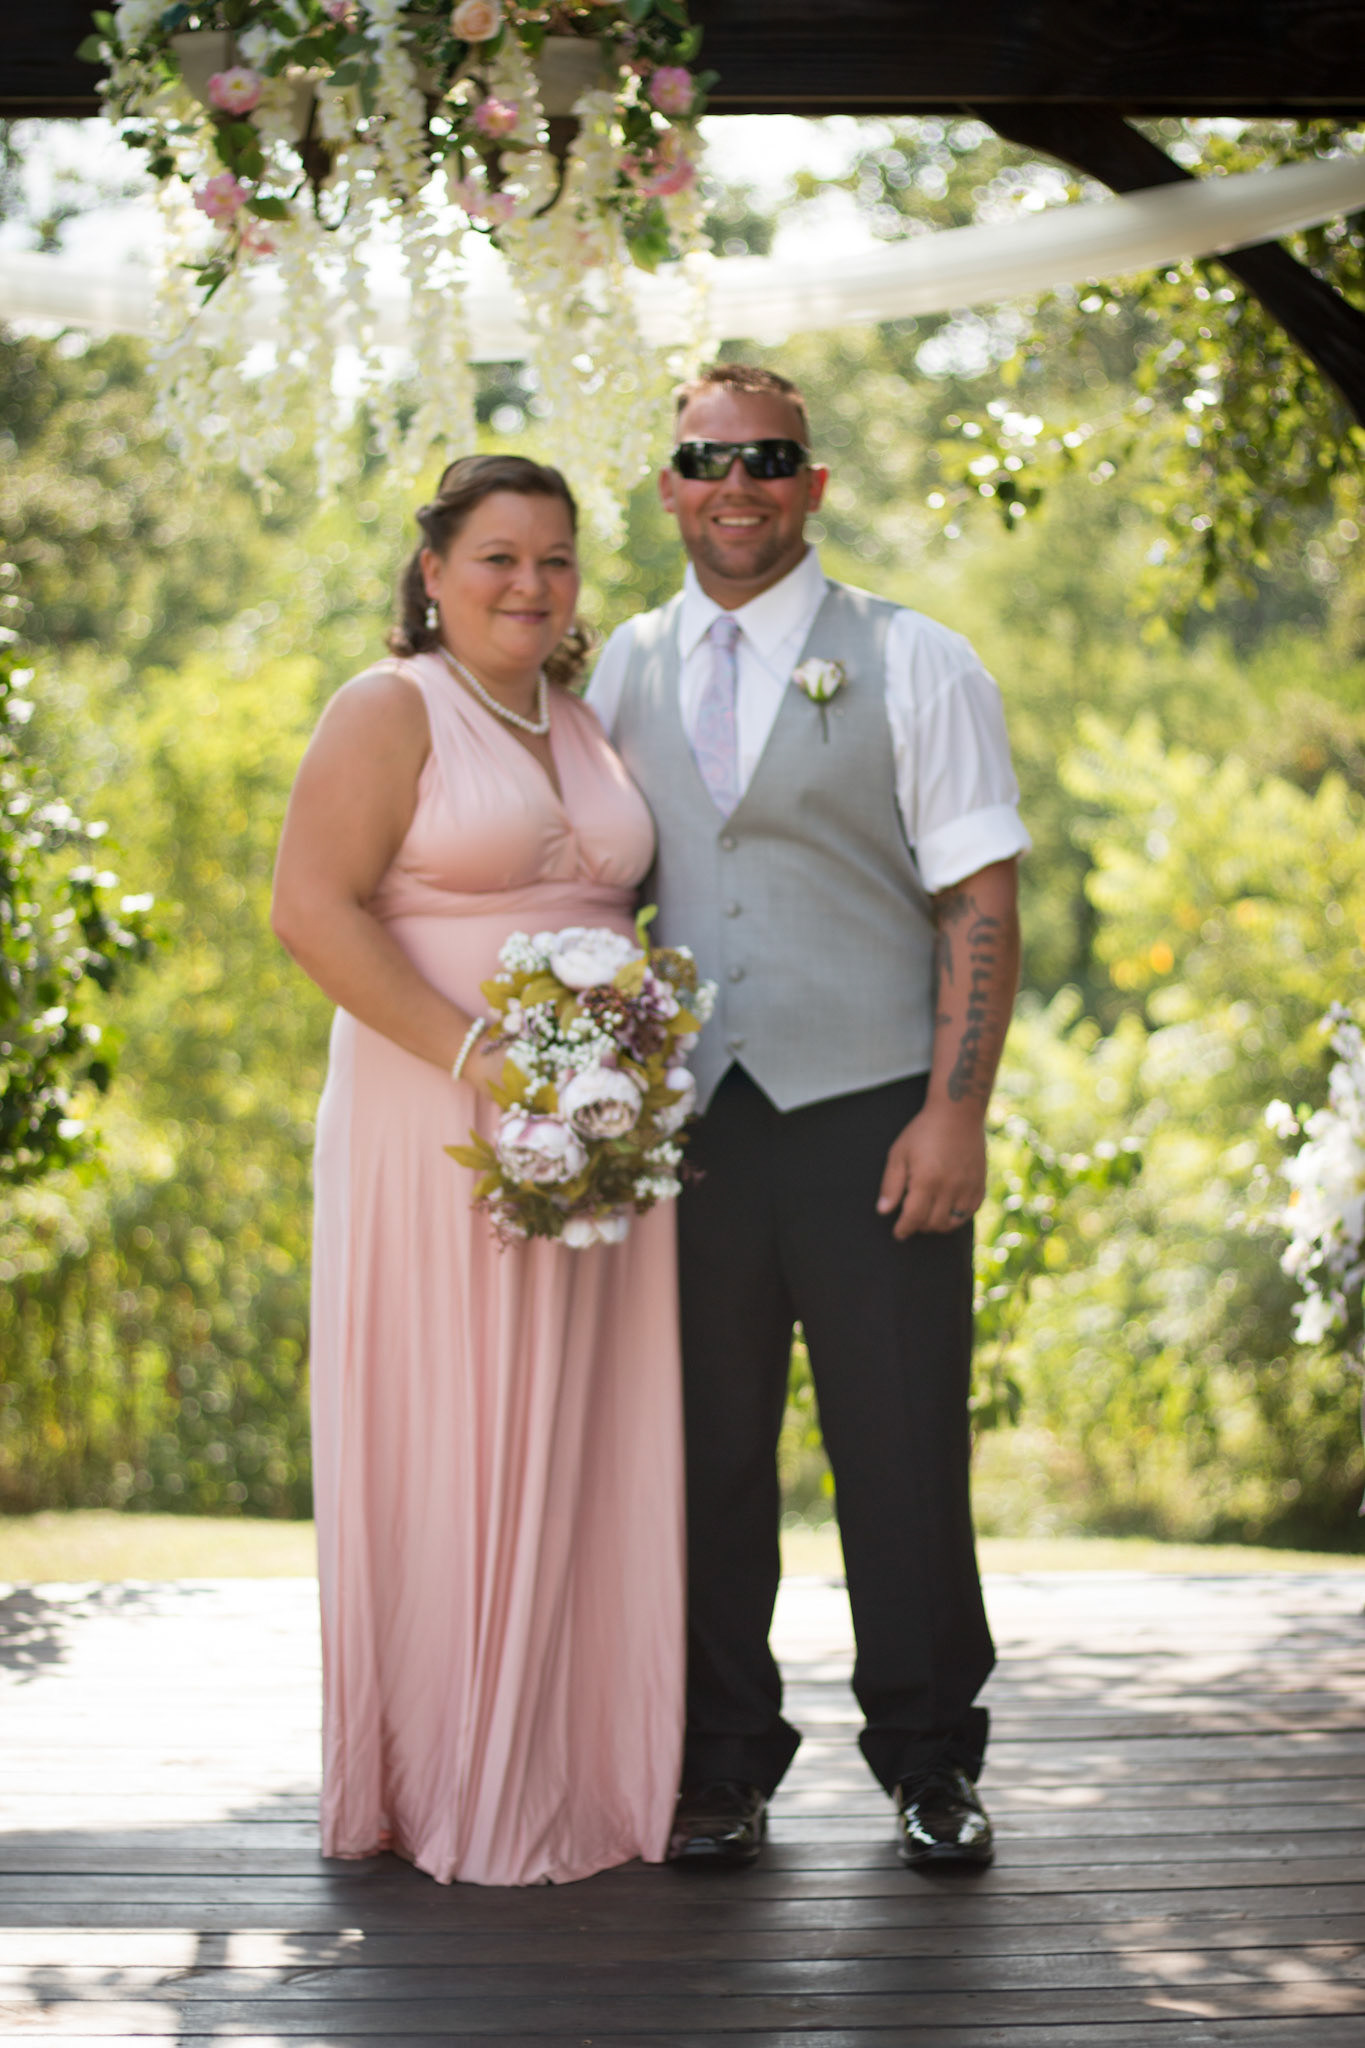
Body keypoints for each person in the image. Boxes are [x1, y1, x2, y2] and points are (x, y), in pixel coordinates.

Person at [587, 363, 1029, 1871]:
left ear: (813, 483)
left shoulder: (915, 659)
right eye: (709, 459)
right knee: (703, 1457)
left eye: (769, 460)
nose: (739, 487)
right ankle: (721, 1763)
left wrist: (955, 1112)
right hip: (689, 1130)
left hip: (872, 1117)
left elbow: (978, 896)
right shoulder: (622, 667)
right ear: (669, 484)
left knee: (900, 1448)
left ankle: (931, 1759)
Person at [271, 454, 685, 1887]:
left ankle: (581, 1771)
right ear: (434, 571)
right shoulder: (389, 707)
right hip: (434, 1116)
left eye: (556, 559)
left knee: (585, 1433)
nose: (531, 584)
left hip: (597, 1135)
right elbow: (309, 910)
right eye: (498, 556)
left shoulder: (586, 719)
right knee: (453, 1418)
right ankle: (450, 1777)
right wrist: (480, 1058)